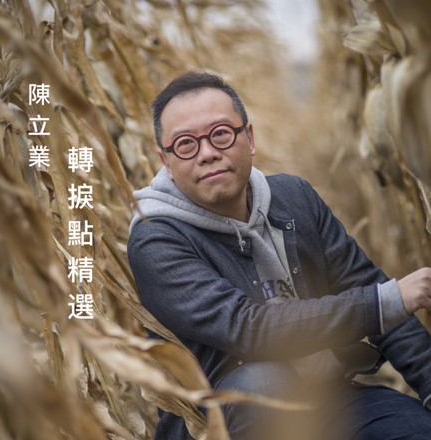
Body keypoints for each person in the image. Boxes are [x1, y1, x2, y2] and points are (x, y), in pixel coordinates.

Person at [127, 70, 431, 439]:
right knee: (264, 383)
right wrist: (384, 302)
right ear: (166, 162)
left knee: (414, 428)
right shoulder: (156, 238)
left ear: (249, 138)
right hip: (223, 421)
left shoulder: (294, 198)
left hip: (326, 396)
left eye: (220, 134)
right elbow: (248, 328)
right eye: (186, 144)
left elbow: (370, 290)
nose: (207, 153)